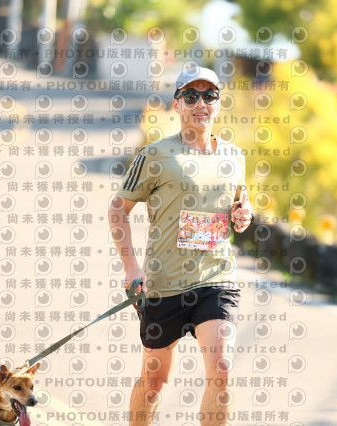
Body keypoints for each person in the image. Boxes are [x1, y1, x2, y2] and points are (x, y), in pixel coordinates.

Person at [108, 66, 253, 426]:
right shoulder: (155, 155)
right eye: (191, 96)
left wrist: (242, 215)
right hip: (164, 283)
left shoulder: (234, 156)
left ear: (218, 103)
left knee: (222, 368)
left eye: (209, 96)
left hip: (216, 278)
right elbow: (118, 210)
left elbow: (239, 204)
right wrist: (131, 268)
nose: (201, 103)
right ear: (176, 104)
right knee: (154, 382)